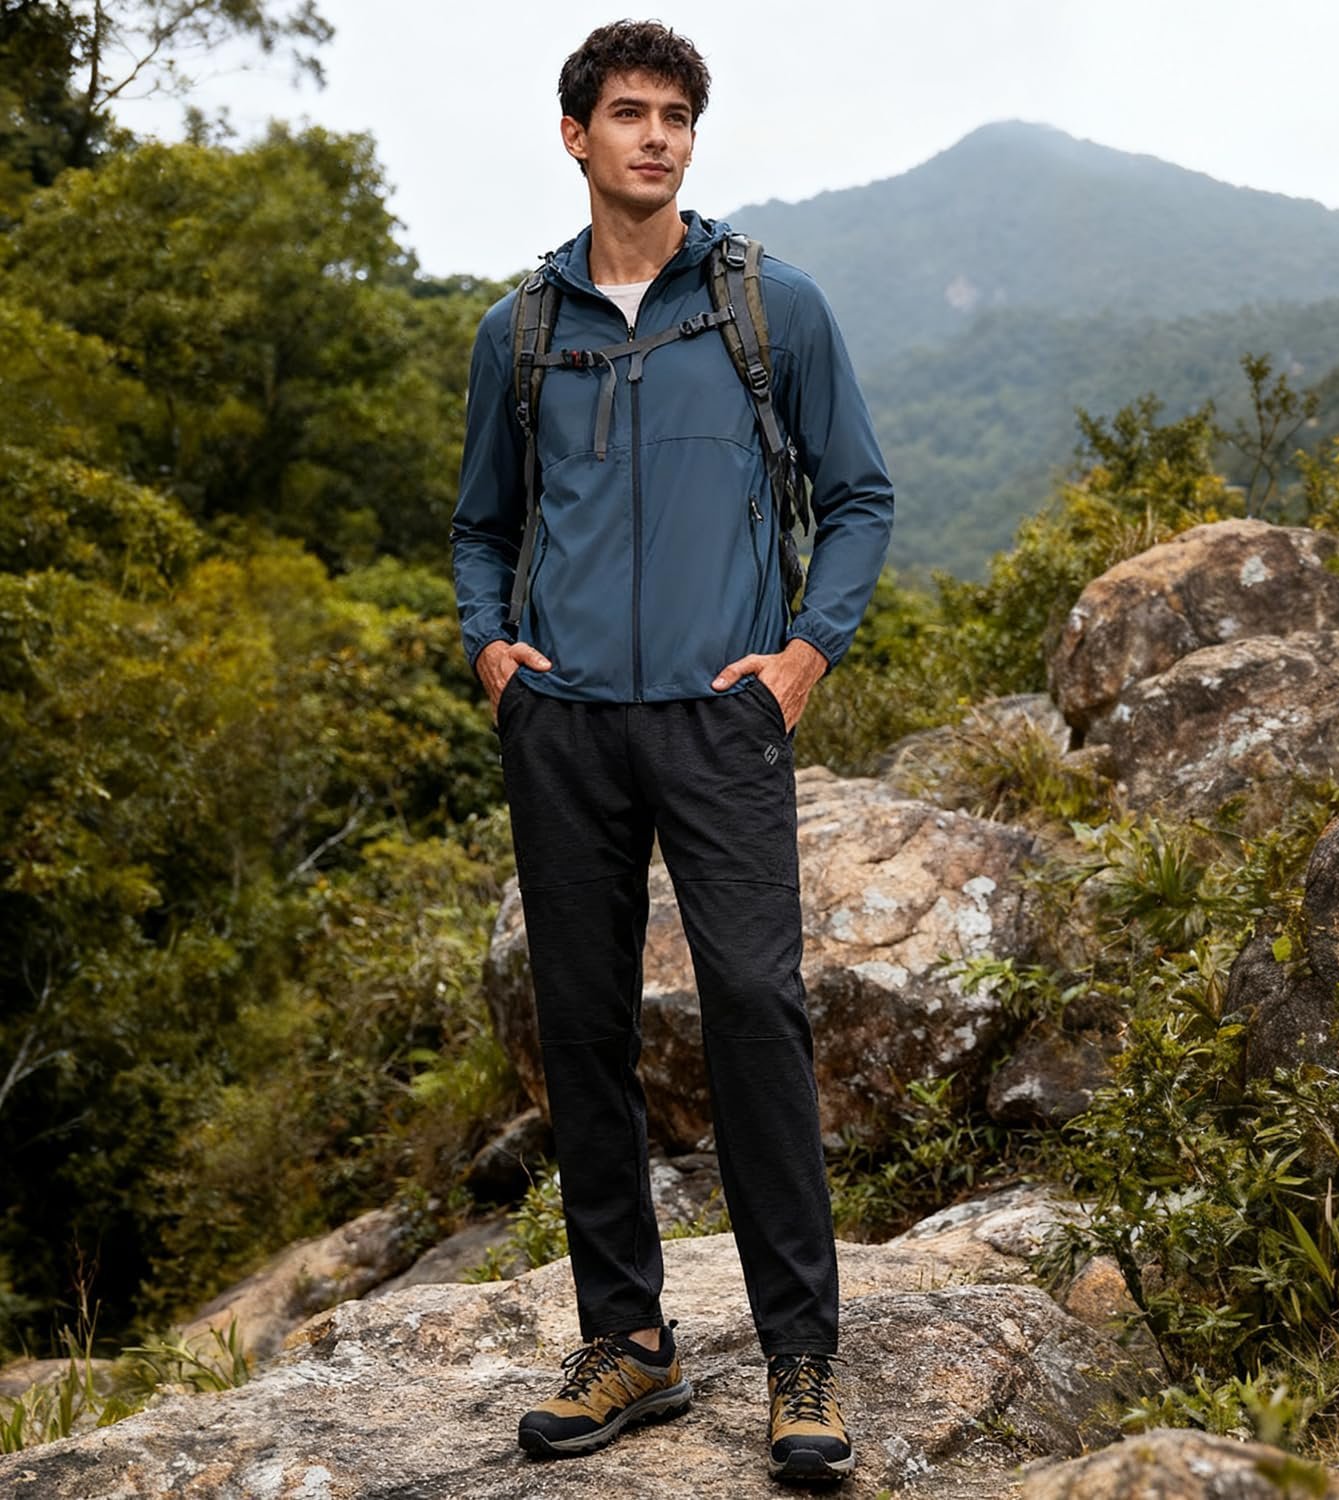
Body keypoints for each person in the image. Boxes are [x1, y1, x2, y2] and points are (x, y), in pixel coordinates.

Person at [450, 18, 893, 1484]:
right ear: (574, 135)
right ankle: (627, 1344)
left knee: (755, 1009)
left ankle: (799, 1358)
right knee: (581, 1028)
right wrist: (491, 648)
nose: (656, 138)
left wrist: (805, 655)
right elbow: (482, 523)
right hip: (564, 723)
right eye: (630, 114)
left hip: (721, 717)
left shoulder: (771, 306)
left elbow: (860, 495)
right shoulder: (520, 332)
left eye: (677, 117)